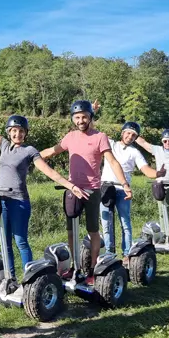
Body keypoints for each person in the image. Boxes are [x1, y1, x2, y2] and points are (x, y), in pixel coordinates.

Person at [0, 83, 87, 292]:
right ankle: (10, 278)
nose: (17, 134)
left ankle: (29, 281)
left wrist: (70, 185)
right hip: (1, 201)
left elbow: (48, 171)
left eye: (21, 131)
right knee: (4, 242)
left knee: (20, 241)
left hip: (19, 202)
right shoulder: (4, 146)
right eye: (14, 130)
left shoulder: (30, 151)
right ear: (9, 132)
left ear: (25, 133)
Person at [40, 100, 132, 285]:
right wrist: (31, 156)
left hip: (92, 190)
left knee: (93, 230)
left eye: (84, 117)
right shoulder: (70, 137)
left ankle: (91, 269)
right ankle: (75, 267)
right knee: (71, 231)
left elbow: (112, 162)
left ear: (90, 117)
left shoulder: (100, 137)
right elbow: (52, 151)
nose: (80, 120)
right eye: (77, 117)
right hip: (73, 190)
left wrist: (125, 183)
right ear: (73, 119)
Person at [99, 121, 163, 265]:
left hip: (123, 190)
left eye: (134, 135)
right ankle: (109, 253)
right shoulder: (110, 144)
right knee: (106, 224)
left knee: (125, 223)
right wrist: (93, 113)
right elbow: (92, 132)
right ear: (122, 133)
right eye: (128, 133)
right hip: (106, 187)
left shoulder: (135, 152)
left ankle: (127, 254)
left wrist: (158, 173)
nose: (130, 136)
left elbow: (145, 169)